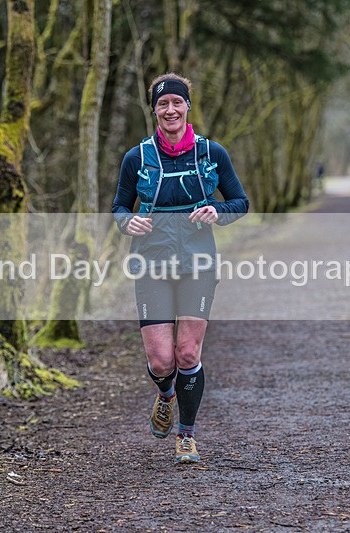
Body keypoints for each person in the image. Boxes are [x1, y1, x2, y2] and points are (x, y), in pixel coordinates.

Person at [112, 73, 249, 464]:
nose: (170, 110)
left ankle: (186, 436)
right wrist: (126, 221)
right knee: (161, 361)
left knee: (187, 353)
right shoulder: (136, 158)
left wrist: (216, 210)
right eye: (162, 104)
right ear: (154, 110)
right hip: (152, 262)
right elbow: (119, 206)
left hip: (198, 263)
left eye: (177, 102)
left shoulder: (211, 153)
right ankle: (166, 394)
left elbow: (240, 202)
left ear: (188, 107)